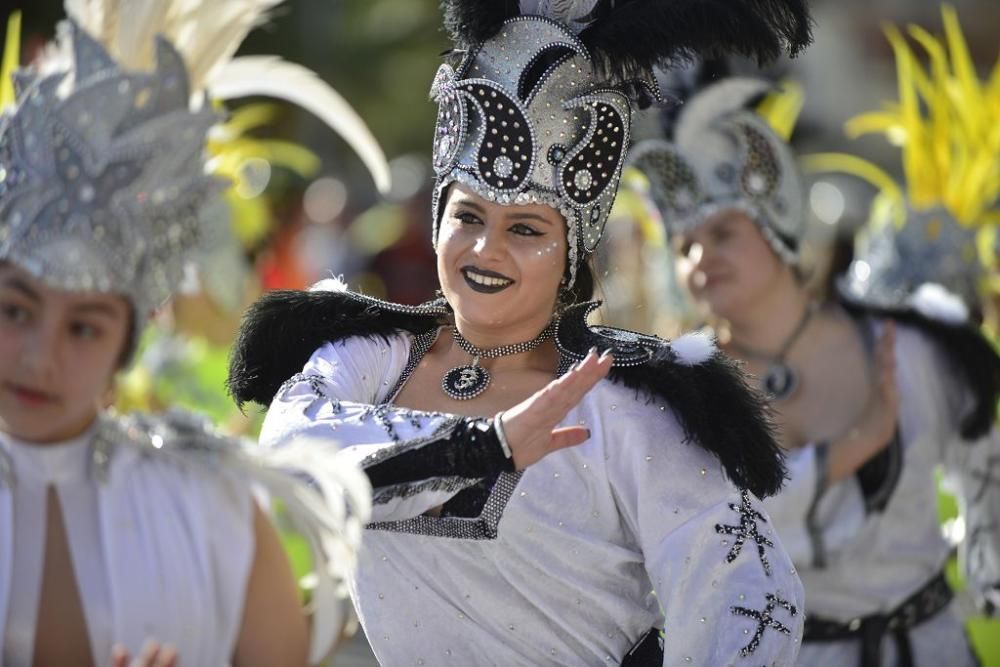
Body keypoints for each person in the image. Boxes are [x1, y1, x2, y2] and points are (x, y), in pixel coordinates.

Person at [227, 1, 814, 664]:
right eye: (468, 216)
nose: (486, 248)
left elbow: (749, 597)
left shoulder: (625, 402)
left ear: (571, 250)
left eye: (526, 229)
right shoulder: (366, 355)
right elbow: (294, 453)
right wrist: (485, 447)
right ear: (437, 218)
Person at [0, 0, 388, 663]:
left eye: (85, 328)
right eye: (15, 310)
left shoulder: (215, 510)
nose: (41, 357)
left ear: (127, 340)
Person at [630, 34, 1000, 665]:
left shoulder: (906, 347)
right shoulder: (683, 393)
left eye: (722, 232)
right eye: (686, 245)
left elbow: (985, 473)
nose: (700, 258)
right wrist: (845, 453)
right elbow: (702, 540)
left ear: (778, 226)